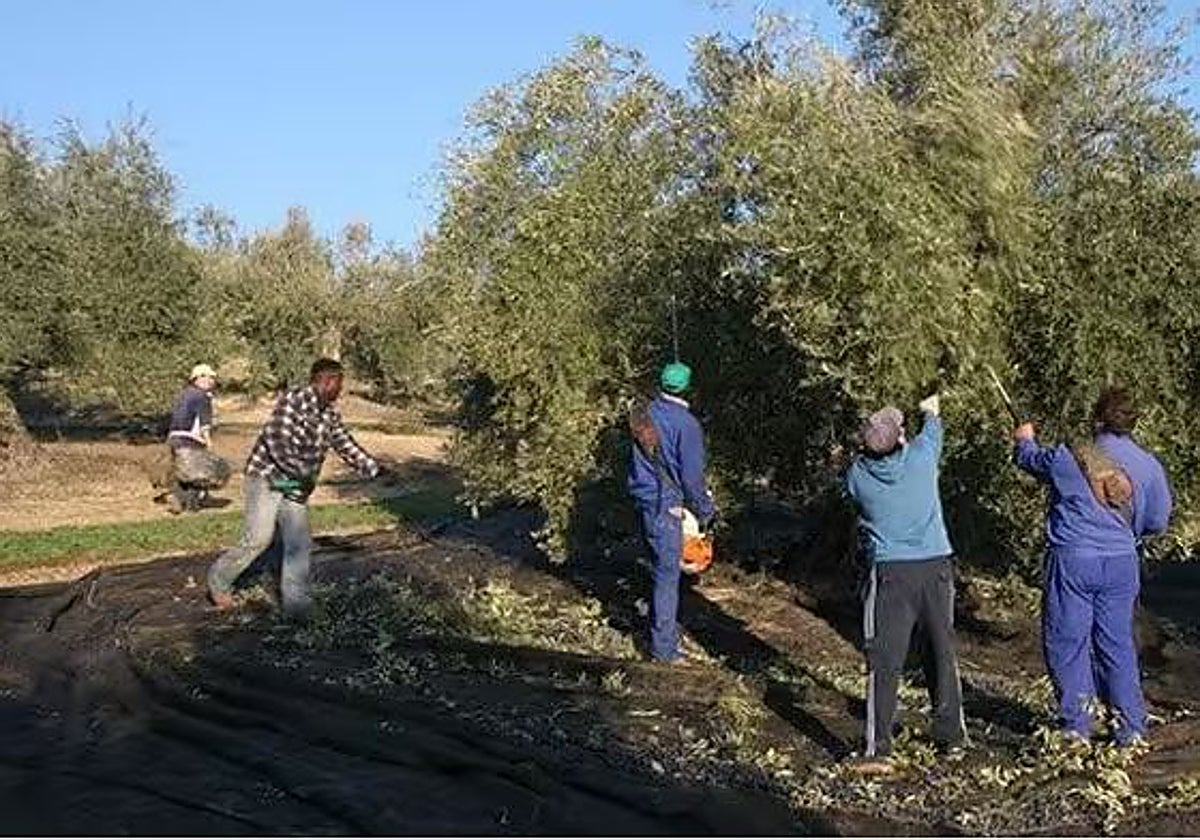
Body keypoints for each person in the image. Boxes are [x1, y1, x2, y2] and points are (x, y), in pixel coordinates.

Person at [1013, 386, 1172, 746]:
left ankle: (1076, 725)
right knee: (1116, 643)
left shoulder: (1070, 457)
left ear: (1096, 418)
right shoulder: (1149, 466)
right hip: (1120, 563)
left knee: (1068, 640)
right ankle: (1130, 727)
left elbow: (1030, 460)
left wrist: (1024, 439)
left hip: (1073, 560)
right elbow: (1158, 523)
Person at [207, 358, 390, 618]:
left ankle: (297, 606)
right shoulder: (295, 400)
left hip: (294, 483)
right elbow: (277, 440)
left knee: (298, 543)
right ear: (326, 381)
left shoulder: (329, 414)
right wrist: (299, 473)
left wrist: (375, 469)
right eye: (339, 383)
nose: (341, 390)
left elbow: (345, 444)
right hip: (268, 477)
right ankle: (219, 580)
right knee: (258, 539)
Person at [846, 394, 966, 761]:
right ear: (900, 438)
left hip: (890, 574)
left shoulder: (858, 477)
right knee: (941, 653)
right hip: (935, 570)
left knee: (884, 660)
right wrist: (929, 406)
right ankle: (952, 739)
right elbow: (933, 422)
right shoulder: (922, 458)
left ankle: (878, 747)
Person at [627, 361, 716, 663]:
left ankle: (658, 633)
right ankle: (663, 651)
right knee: (667, 577)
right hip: (667, 505)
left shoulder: (643, 413)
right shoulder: (687, 425)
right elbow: (692, 478)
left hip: (644, 498)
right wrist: (705, 510)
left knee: (656, 569)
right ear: (688, 387)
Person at [166, 363, 231, 514]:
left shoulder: (183, 394)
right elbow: (204, 422)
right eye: (210, 377)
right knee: (198, 473)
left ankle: (177, 498)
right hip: (191, 438)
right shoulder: (202, 396)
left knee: (182, 472)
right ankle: (191, 506)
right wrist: (208, 440)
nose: (213, 381)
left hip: (174, 436)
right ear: (199, 378)